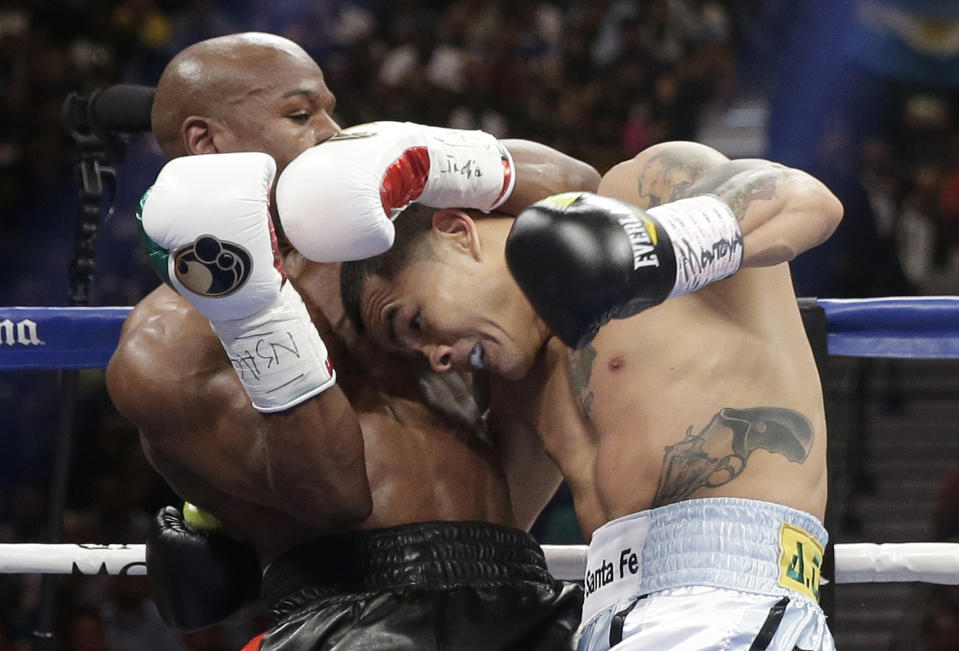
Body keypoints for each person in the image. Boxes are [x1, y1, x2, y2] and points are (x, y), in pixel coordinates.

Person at [105, 31, 601, 650]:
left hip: (521, 588)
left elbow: (585, 195)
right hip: (352, 613)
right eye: (300, 114)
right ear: (208, 142)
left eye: (329, 109)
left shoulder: (384, 234)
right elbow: (333, 494)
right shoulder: (166, 346)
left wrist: (424, 157)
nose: (333, 132)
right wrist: (252, 310)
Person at [340, 140, 844, 650]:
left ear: (455, 234)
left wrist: (656, 249)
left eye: (415, 321)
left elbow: (808, 202)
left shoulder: (637, 194)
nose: (436, 358)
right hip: (602, 618)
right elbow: (484, 534)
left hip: (731, 599)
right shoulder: (520, 386)